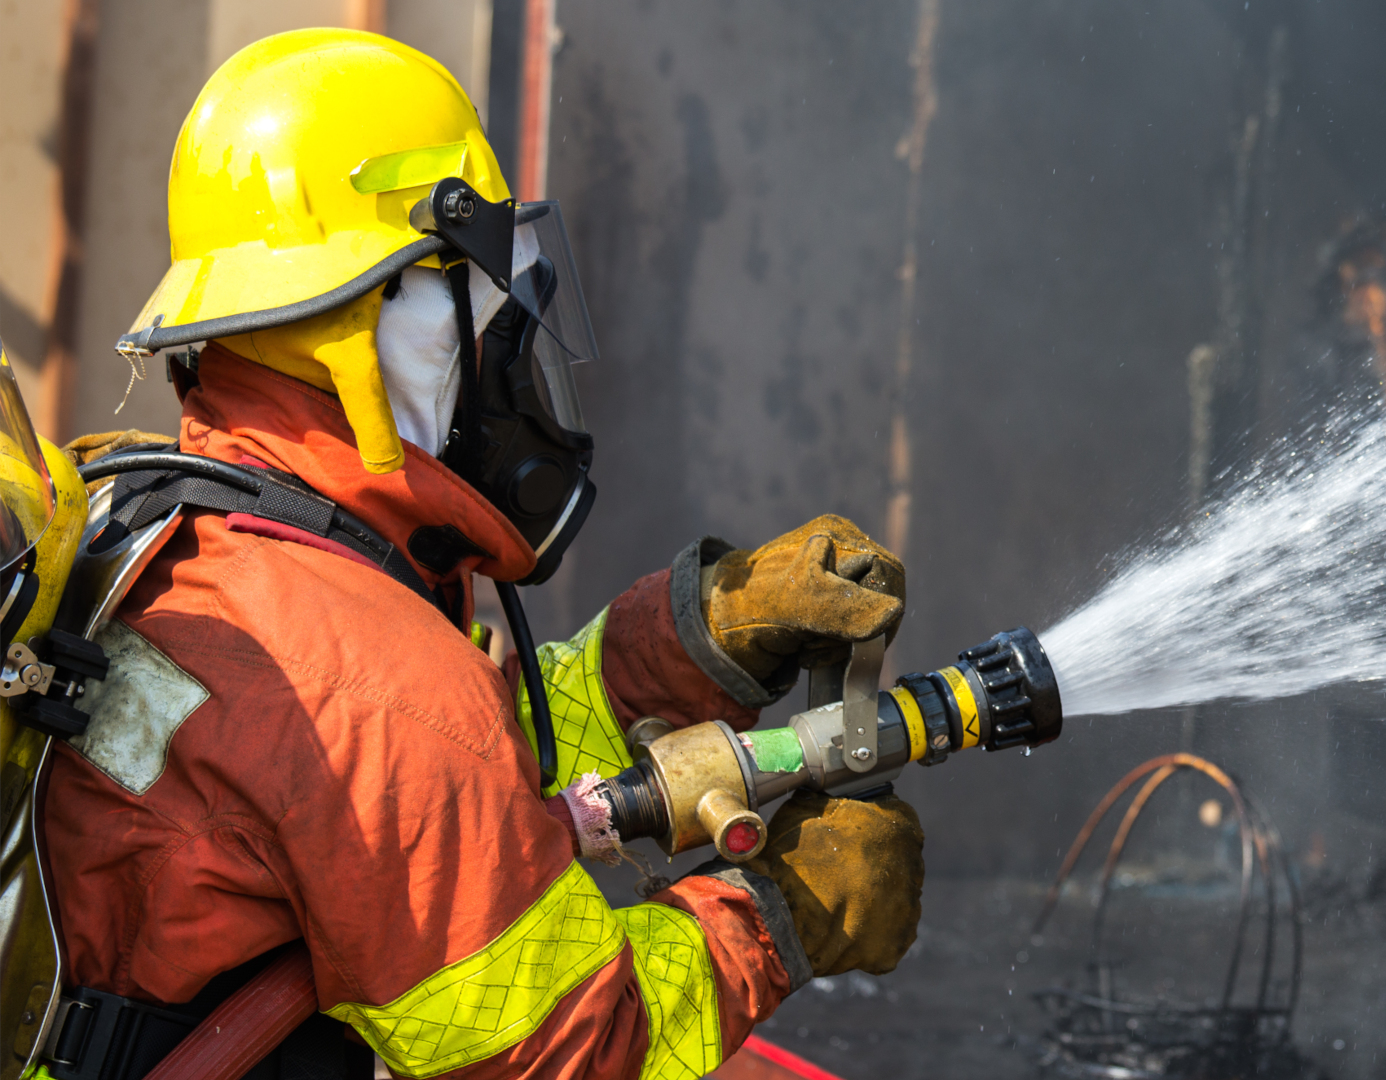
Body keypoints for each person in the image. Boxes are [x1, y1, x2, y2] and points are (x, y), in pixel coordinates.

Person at [38, 29, 921, 1080]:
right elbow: (567, 1050)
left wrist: (688, 648)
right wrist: (782, 919)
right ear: (370, 320)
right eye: (475, 281)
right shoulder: (363, 678)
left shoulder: (161, 526)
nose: (508, 321)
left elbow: (433, 790)